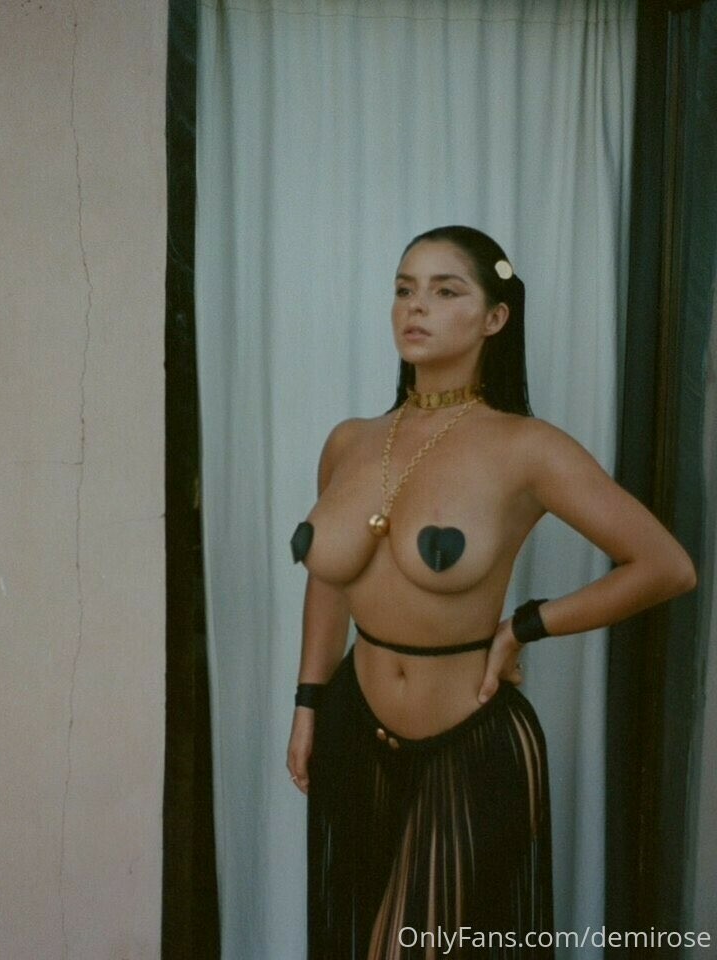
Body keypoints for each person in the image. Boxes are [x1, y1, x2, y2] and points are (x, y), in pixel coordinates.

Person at [285, 225, 696, 960]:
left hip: (469, 748)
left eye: (446, 291)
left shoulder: (525, 447)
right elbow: (329, 580)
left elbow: (665, 564)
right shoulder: (350, 441)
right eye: (405, 289)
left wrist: (528, 625)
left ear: (495, 317)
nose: (417, 307)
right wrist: (308, 704)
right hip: (352, 730)